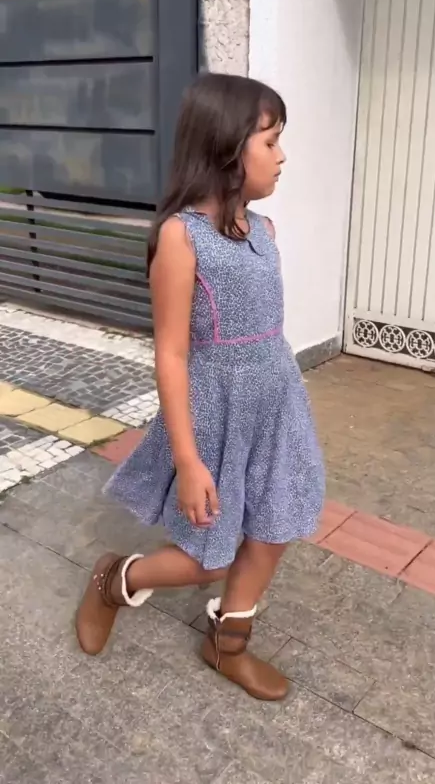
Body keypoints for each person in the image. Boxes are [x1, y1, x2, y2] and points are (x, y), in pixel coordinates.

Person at [75, 72, 325, 702]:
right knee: (207, 557)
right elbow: (171, 352)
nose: (282, 155)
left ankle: (227, 644)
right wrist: (188, 461)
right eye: (270, 141)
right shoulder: (181, 237)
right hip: (216, 414)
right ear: (226, 147)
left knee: (275, 525)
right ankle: (116, 579)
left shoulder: (264, 231)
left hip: (276, 403)